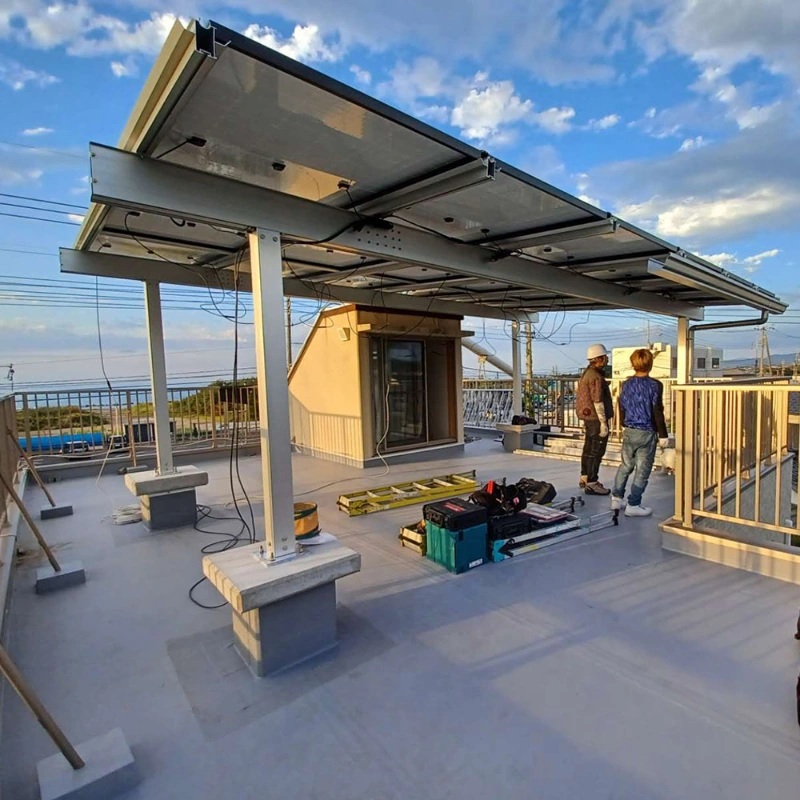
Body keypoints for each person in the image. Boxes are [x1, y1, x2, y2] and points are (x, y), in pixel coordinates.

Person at [611, 348, 669, 517]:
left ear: (633, 364)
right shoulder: (655, 385)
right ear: (650, 364)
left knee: (626, 465)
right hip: (646, 432)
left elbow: (621, 405)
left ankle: (616, 498)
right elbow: (657, 411)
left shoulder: (627, 384)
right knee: (642, 470)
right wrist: (663, 435)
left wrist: (622, 424)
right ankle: (633, 504)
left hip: (629, 430)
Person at [576, 343, 614, 495]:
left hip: (588, 418)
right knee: (596, 450)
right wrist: (603, 422)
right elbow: (597, 400)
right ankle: (592, 482)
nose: (607, 360)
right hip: (595, 418)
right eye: (605, 357)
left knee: (588, 448)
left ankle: (585, 476)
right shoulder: (596, 376)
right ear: (599, 358)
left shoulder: (587, 373)